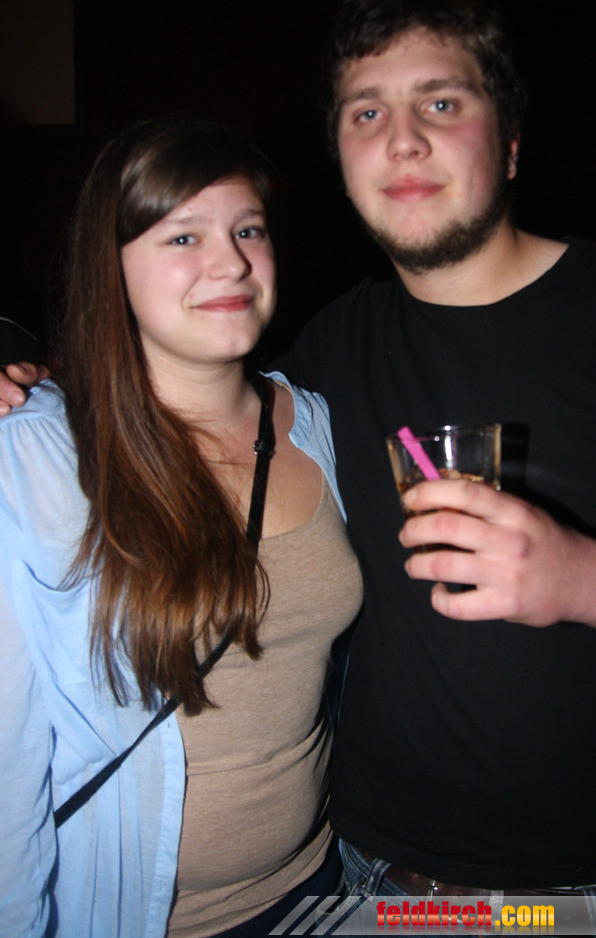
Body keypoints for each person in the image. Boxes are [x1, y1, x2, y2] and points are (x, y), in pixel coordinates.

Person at [3, 0, 596, 914]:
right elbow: (167, 379)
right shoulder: (330, 353)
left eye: (440, 102)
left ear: (511, 142)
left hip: (592, 897)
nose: (401, 139)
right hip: (370, 886)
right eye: (367, 112)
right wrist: (28, 374)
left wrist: (582, 576)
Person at [0, 116, 362, 938]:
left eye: (247, 230)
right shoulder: (37, 457)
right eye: (183, 236)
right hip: (140, 917)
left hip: (323, 884)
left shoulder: (318, 424)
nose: (230, 261)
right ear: (111, 266)